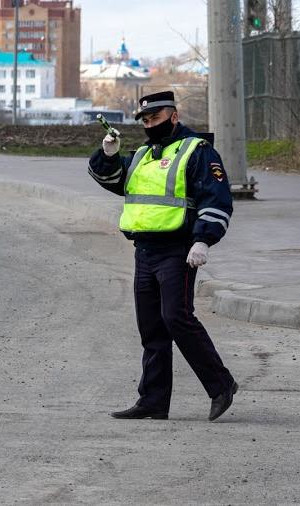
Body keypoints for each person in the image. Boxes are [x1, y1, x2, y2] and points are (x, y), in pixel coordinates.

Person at [88, 91, 238, 421]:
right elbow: (115, 181)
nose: (149, 124)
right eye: (145, 120)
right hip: (145, 250)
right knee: (152, 327)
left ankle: (221, 385)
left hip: (178, 249)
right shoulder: (143, 154)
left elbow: (216, 199)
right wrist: (108, 155)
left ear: (173, 116)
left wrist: (203, 240)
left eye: (155, 118)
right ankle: (153, 400)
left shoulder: (197, 150)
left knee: (176, 318)